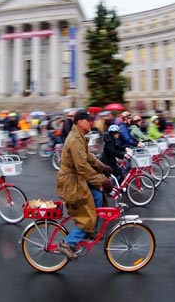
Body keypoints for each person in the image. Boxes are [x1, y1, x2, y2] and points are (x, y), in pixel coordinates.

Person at [56, 110, 113, 259]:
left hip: (78, 178)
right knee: (87, 214)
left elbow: (90, 158)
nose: (92, 123)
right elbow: (82, 166)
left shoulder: (80, 137)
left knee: (98, 197)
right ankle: (67, 243)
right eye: (89, 120)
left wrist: (103, 167)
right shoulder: (75, 139)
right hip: (71, 181)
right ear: (81, 122)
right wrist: (102, 180)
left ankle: (90, 229)